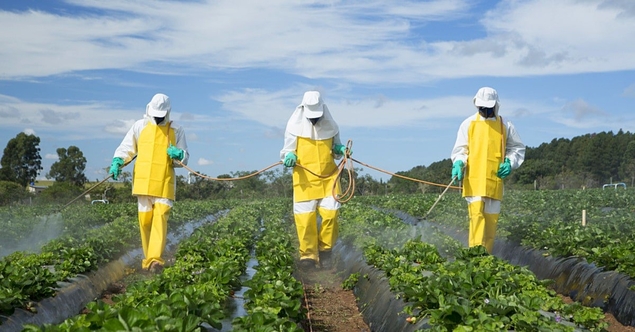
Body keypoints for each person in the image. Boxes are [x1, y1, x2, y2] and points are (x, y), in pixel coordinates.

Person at [108, 93, 189, 273]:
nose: (158, 117)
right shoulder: (140, 126)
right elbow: (126, 147)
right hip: (143, 182)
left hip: (164, 181)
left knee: (160, 217)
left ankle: (155, 261)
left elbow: (184, 158)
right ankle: (148, 260)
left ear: (167, 112)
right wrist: (117, 162)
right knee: (145, 221)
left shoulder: (176, 129)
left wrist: (179, 155)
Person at [280, 91, 350, 270]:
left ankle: (325, 251)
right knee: (305, 219)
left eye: (317, 117)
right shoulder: (293, 127)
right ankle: (308, 256)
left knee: (331, 215)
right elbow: (287, 150)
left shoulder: (331, 126)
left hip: (329, 178)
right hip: (305, 180)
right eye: (311, 118)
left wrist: (340, 149)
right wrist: (289, 156)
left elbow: (335, 149)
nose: (314, 121)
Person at [450, 87, 525, 254]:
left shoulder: (505, 125)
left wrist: (509, 163)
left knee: (491, 223)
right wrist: (459, 163)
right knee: (476, 218)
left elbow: (517, 148)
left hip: (494, 180)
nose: (484, 111)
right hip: (474, 180)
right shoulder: (468, 124)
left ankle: (486, 258)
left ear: (495, 106)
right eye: (482, 108)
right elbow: (460, 150)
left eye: (488, 107)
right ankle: (474, 257)